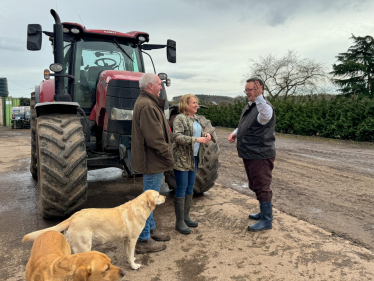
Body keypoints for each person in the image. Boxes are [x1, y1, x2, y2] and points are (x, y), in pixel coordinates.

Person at [131, 73, 174, 253]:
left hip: (153, 161)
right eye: (159, 83)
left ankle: (151, 229)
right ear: (150, 86)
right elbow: (155, 139)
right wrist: (169, 156)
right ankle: (143, 239)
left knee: (152, 198)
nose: (161, 86)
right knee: (149, 201)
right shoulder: (147, 105)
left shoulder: (147, 102)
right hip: (153, 161)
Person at [228, 78, 276, 231]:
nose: (248, 93)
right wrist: (236, 132)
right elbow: (246, 123)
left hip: (260, 154)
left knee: (262, 186)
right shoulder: (250, 107)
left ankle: (267, 220)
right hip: (250, 153)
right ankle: (263, 212)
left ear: (259, 88)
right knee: (255, 184)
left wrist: (259, 96)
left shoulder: (265, 107)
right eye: (246, 90)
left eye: (251, 90)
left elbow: (263, 118)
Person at [172, 94, 214, 234]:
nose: (196, 105)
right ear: (186, 104)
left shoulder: (195, 119)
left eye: (197, 103)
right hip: (182, 159)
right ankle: (179, 222)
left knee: (190, 188)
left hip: (194, 159)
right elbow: (177, 137)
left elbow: (202, 132)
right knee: (182, 188)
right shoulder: (180, 118)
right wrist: (196, 139)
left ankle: (186, 217)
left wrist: (207, 135)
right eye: (194, 103)